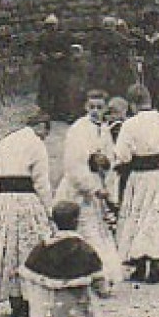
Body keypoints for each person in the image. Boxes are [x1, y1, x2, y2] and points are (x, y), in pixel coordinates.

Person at [0, 110, 55, 317]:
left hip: (4, 201)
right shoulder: (36, 144)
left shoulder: (4, 142)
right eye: (45, 132)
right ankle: (29, 298)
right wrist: (48, 210)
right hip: (25, 199)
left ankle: (15, 299)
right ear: (42, 126)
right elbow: (41, 182)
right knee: (28, 248)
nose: (44, 136)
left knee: (8, 249)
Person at [114, 84, 159, 284]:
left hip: (140, 176)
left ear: (132, 104)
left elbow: (123, 155)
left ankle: (140, 265)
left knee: (138, 216)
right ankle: (155, 266)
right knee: (158, 217)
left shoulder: (129, 125)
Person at [54, 90, 122, 282]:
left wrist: (106, 182)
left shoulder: (105, 130)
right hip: (78, 189)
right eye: (91, 107)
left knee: (99, 231)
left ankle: (100, 276)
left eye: (99, 108)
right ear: (85, 107)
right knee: (83, 230)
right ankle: (81, 276)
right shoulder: (78, 129)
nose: (95, 111)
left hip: (97, 188)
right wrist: (92, 187)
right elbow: (73, 164)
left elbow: (110, 159)